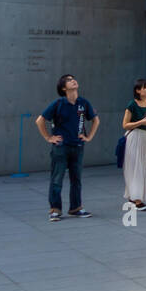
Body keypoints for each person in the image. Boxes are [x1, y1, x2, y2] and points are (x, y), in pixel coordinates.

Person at [36, 73, 99, 222]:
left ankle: (75, 208)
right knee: (57, 178)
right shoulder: (58, 104)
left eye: (74, 79)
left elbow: (95, 120)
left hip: (78, 146)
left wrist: (88, 137)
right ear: (64, 88)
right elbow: (40, 120)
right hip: (61, 147)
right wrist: (48, 138)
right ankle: (55, 210)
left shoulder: (83, 103)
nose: (74, 81)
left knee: (76, 179)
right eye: (69, 80)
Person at [122, 78, 146, 211]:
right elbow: (125, 125)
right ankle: (137, 199)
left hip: (145, 137)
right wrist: (141, 122)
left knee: (141, 167)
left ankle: (134, 196)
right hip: (134, 136)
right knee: (133, 166)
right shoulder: (132, 104)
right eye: (145, 87)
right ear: (138, 90)